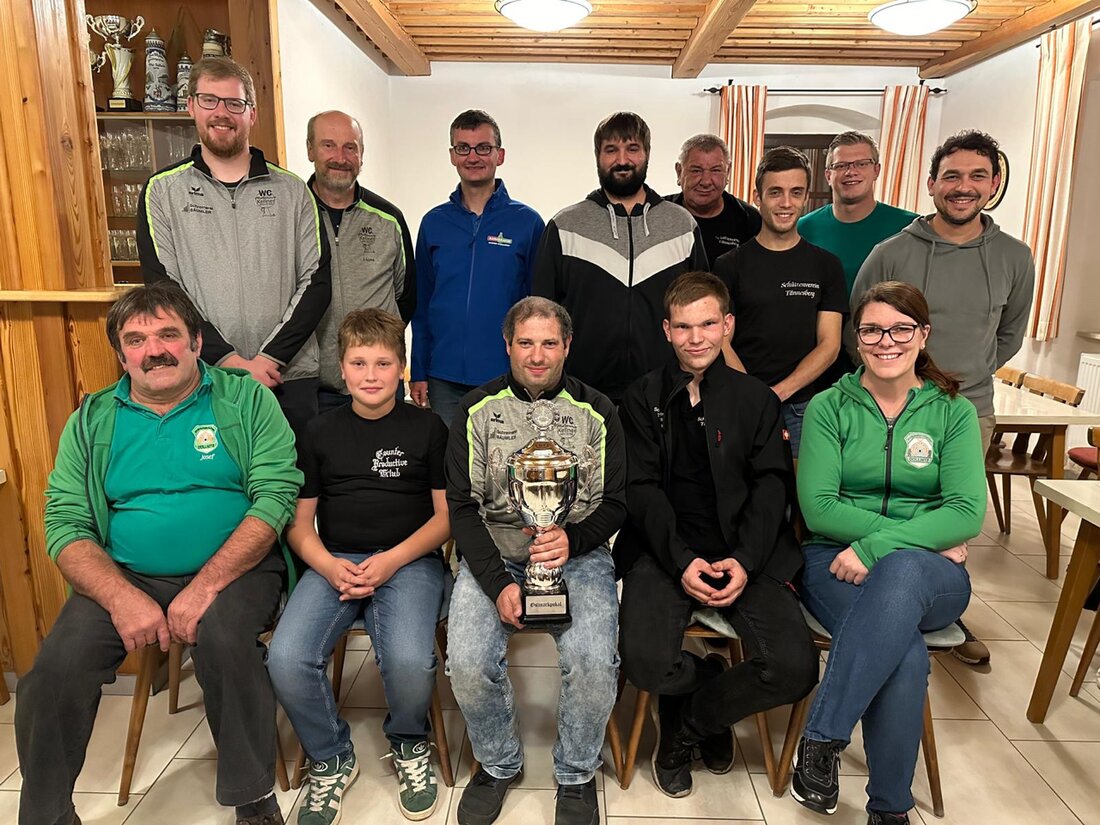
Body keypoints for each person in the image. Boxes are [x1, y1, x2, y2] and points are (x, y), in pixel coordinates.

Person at [17, 283, 302, 825]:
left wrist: (206, 585)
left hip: (237, 568)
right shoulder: (92, 419)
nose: (155, 351)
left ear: (196, 342)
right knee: (54, 670)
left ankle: (254, 803)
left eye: (169, 334)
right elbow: (65, 524)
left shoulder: (245, 399)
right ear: (121, 354)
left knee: (225, 641)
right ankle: (47, 816)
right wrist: (121, 598)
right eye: (136, 340)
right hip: (126, 574)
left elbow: (275, 496)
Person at [791, 281, 985, 825]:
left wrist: (879, 544)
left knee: (900, 570)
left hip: (932, 576)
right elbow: (820, 509)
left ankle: (821, 737)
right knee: (905, 652)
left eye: (901, 329)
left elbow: (968, 512)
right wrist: (925, 530)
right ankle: (891, 811)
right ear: (856, 339)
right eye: (872, 330)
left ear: (923, 335)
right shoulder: (828, 407)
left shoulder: (954, 412)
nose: (886, 342)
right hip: (834, 560)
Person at [617, 272, 817, 798]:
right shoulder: (640, 397)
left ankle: (691, 724)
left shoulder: (757, 399)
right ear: (666, 330)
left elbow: (772, 488)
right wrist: (681, 559)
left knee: (795, 669)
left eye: (707, 324)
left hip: (747, 552)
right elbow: (640, 490)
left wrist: (746, 560)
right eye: (683, 327)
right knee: (643, 662)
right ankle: (705, 679)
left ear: (727, 326)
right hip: (663, 552)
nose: (696, 338)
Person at [852, 130, 1035, 665]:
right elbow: (858, 328)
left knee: (952, 518)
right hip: (891, 406)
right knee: (890, 505)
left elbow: (1009, 335)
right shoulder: (891, 253)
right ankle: (880, 604)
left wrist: (960, 382)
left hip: (968, 410)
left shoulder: (1015, 257)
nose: (963, 187)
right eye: (951, 176)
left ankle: (943, 611)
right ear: (931, 183)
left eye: (978, 176)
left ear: (994, 184)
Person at [445, 297, 625, 825]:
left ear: (567, 346)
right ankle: (498, 763)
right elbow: (461, 507)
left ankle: (576, 772)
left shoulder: (598, 411)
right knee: (468, 663)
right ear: (508, 345)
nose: (538, 355)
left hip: (578, 553)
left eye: (549, 343)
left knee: (594, 662)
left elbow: (616, 501)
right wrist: (496, 581)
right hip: (495, 552)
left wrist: (575, 539)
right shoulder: (476, 410)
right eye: (526, 342)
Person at [267, 308, 449, 823]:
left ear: (401, 368)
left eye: (383, 363)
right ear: (341, 369)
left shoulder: (429, 428)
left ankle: (410, 740)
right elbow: (299, 525)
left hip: (409, 559)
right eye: (359, 363)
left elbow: (445, 520)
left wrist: (391, 561)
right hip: (336, 561)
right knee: (286, 658)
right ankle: (331, 756)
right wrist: (327, 566)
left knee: (410, 659)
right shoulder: (318, 431)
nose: (371, 375)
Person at [138, 56, 331, 442]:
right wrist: (226, 358)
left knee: (293, 479)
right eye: (209, 100)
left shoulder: (293, 190)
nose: (222, 113)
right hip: (202, 375)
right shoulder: (162, 191)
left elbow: (317, 281)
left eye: (234, 103)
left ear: (251, 113)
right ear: (191, 106)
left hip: (287, 377)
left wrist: (270, 358)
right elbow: (164, 289)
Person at [534, 111, 707, 404]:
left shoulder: (682, 226)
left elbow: (701, 311)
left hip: (664, 391)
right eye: (611, 150)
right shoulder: (565, 226)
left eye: (632, 149)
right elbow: (543, 313)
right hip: (580, 392)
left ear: (647, 153)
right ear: (597, 156)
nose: (622, 160)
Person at [410, 109, 545, 426]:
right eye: (463, 148)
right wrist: (418, 370)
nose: (473, 157)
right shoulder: (433, 223)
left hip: (507, 376)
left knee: (507, 456)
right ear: (452, 155)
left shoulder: (528, 223)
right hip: (443, 378)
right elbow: (421, 305)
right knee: (451, 456)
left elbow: (539, 308)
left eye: (483, 147)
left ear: (500, 155)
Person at [714, 146, 846, 456]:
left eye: (796, 192)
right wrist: (753, 396)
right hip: (740, 404)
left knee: (802, 487)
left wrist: (778, 393)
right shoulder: (728, 265)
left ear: (806, 197)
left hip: (803, 408)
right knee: (739, 484)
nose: (786, 203)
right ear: (757, 197)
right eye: (775, 192)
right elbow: (720, 340)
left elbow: (829, 345)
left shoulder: (826, 265)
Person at [305, 110, 417, 412]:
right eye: (329, 145)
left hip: (378, 383)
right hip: (312, 386)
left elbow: (406, 297)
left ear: (361, 155)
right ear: (310, 150)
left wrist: (377, 346)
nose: (340, 157)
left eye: (350, 147)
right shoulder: (292, 215)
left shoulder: (388, 219)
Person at [798, 131, 918, 386]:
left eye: (861, 164)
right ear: (828, 175)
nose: (851, 172)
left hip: (884, 351)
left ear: (876, 170)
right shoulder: (804, 228)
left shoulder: (908, 227)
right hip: (816, 354)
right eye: (841, 165)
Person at [667, 133, 761, 266]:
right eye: (696, 170)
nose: (706, 181)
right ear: (679, 171)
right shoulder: (658, 214)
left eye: (716, 170)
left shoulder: (750, 220)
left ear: (728, 172)